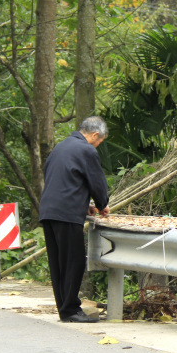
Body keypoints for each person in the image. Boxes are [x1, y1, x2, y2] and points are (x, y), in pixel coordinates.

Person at [39, 116, 110, 323]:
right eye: (100, 141)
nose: (98, 145)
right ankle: (70, 309)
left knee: (58, 263)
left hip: (49, 210)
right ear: (95, 135)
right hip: (67, 213)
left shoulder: (60, 148)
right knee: (74, 261)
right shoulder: (86, 150)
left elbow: (64, 179)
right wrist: (101, 203)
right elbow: (97, 182)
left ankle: (64, 308)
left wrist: (83, 203)